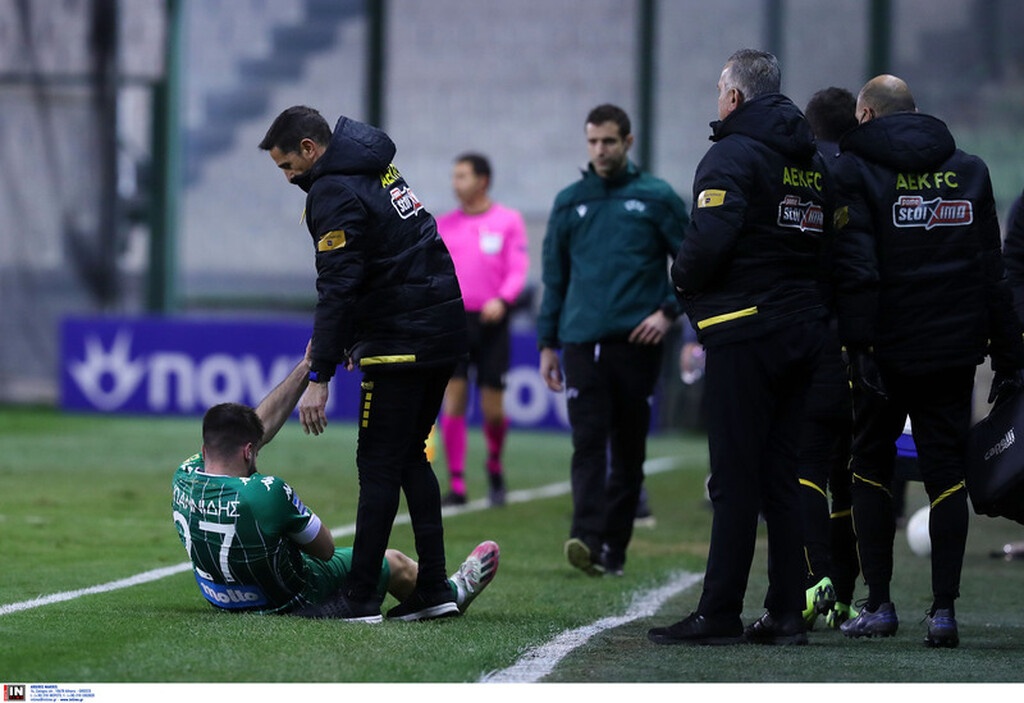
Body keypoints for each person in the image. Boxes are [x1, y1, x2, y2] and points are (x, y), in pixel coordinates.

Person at [830, 75, 1024, 648]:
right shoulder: (971, 170)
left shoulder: (853, 171)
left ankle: (880, 605)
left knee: (869, 465)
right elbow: (994, 274)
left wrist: (859, 347)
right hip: (952, 351)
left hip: (884, 355)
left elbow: (858, 269)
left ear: (864, 114)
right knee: (946, 472)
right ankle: (943, 613)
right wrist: (1009, 356)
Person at [258, 106, 469, 622]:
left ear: (310, 149)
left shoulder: (332, 190)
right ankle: (435, 589)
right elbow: (388, 253)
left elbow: (339, 285)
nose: (288, 179)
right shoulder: (372, 165)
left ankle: (359, 598)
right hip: (441, 324)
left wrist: (320, 374)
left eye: (288, 166)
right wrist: (354, 339)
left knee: (377, 465)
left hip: (403, 335)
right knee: (408, 458)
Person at [648, 49, 830, 646]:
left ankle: (720, 611)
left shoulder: (730, 153)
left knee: (732, 478)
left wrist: (681, 282)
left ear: (735, 97)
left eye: (719, 90)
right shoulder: (810, 161)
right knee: (781, 475)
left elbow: (708, 243)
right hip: (803, 329)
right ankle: (783, 611)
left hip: (744, 327)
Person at [172, 352, 500, 620]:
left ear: (204, 451)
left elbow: (254, 432)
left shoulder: (184, 476)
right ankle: (454, 590)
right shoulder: (266, 492)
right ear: (248, 451)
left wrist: (306, 366)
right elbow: (325, 550)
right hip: (290, 594)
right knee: (391, 560)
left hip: (224, 598)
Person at [537, 103, 687, 577]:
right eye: (592, 142)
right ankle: (585, 538)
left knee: (627, 449)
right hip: (581, 342)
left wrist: (667, 313)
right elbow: (554, 278)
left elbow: (692, 264)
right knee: (587, 444)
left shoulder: (658, 197)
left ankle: (613, 550)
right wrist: (547, 344)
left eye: (608, 141)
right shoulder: (568, 202)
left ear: (628, 142)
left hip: (637, 345)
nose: (600, 150)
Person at [435, 153, 529, 508]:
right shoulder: (443, 224)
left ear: (483, 180)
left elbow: (518, 269)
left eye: (462, 176)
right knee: (454, 400)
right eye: (454, 176)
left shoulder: (508, 221)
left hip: (493, 322)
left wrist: (503, 300)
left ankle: (494, 464)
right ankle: (457, 483)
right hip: (455, 323)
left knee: (492, 409)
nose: (455, 183)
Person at [798, 86, 859, 630]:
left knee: (807, 469)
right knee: (856, 476)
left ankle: (817, 581)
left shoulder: (805, 172)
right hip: (868, 345)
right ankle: (850, 598)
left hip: (814, 342)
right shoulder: (871, 172)